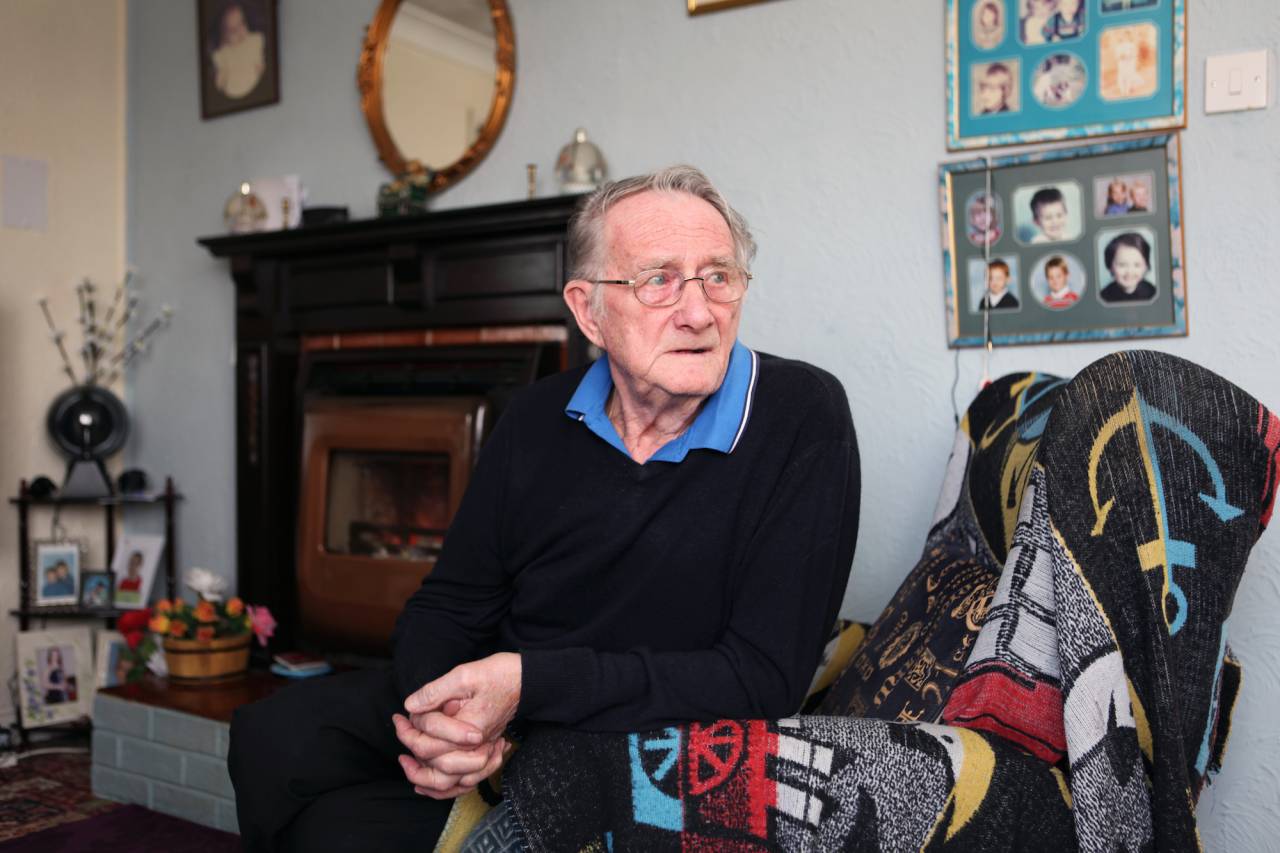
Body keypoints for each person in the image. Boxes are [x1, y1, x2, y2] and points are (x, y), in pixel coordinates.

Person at [228, 166, 861, 852]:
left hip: (632, 728)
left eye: (719, 276)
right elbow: (450, 601)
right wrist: (444, 718)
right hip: (502, 703)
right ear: (589, 310)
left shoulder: (802, 415)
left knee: (338, 834)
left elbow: (759, 676)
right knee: (270, 736)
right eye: (660, 280)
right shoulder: (537, 415)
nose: (700, 311)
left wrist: (525, 687)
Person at [210, 2, 266, 99]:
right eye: (233, 30)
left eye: (242, 23)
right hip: (233, 88)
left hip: (252, 80)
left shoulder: (253, 41)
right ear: (224, 37)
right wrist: (221, 80)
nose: (239, 31)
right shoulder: (224, 53)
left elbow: (260, 63)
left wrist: (260, 69)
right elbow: (220, 81)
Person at [1100, 232, 1157, 303]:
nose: (1129, 272)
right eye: (1122, 265)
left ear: (1146, 266)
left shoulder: (1153, 294)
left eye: (1137, 265)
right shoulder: (1103, 297)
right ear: (1110, 267)